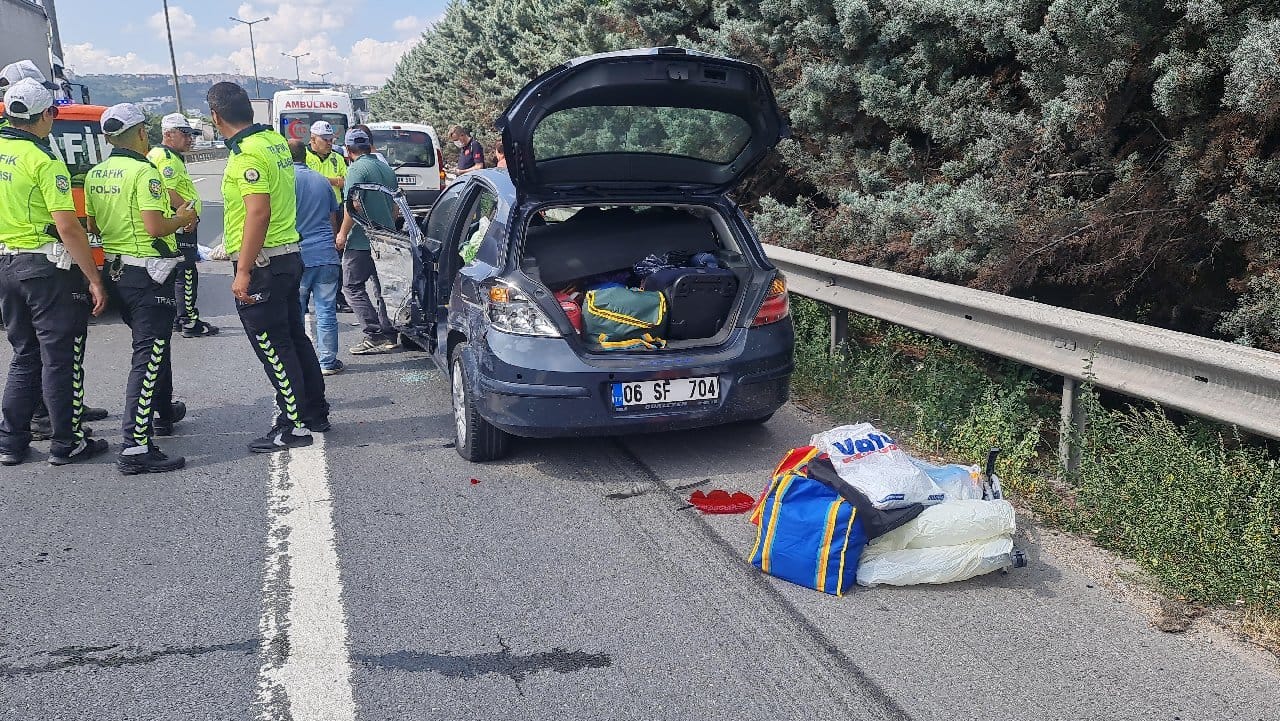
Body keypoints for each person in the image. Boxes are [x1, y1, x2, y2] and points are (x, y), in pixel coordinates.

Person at [207, 81, 328, 452]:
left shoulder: (245, 154)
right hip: (287, 255)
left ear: (215, 117)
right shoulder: (273, 142)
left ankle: (292, 425)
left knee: (273, 346)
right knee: (293, 336)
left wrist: (242, 270)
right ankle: (314, 412)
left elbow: (257, 212)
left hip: (264, 262)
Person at [0, 78, 109, 466]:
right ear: (45, 114)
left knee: (24, 354)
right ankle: (67, 441)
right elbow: (67, 226)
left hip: (5, 265)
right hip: (44, 267)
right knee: (58, 356)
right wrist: (94, 278)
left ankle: (11, 442)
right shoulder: (43, 161)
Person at [86, 103, 195, 474]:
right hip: (148, 272)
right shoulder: (143, 173)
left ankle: (163, 411)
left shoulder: (96, 174)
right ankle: (134, 446)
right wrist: (183, 217)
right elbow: (154, 227)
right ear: (140, 134)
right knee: (148, 357)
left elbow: (94, 226)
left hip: (117, 271)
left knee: (156, 347)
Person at [149, 113, 219, 338]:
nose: (190, 139)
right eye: (185, 134)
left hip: (171, 224)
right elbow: (168, 192)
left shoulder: (161, 155)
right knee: (186, 272)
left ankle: (178, 318)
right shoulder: (167, 159)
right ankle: (188, 321)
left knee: (174, 272)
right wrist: (189, 216)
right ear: (168, 134)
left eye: (192, 134)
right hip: (179, 225)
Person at [336, 126, 398, 355]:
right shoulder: (385, 169)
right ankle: (390, 333)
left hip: (362, 241)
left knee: (351, 287)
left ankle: (374, 334)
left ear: (348, 149)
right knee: (383, 288)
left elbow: (354, 206)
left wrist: (342, 234)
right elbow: (395, 209)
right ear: (369, 145)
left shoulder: (356, 170)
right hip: (387, 238)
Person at [289, 138, 344, 375]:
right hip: (325, 254)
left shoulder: (284, 181)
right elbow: (332, 218)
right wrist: (332, 245)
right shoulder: (322, 181)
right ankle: (327, 361)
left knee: (296, 311)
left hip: (298, 256)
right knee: (326, 310)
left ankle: (300, 361)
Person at [304, 120, 353, 314]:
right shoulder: (304, 156)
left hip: (335, 209)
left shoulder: (336, 157)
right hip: (311, 210)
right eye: (324, 140)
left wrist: (326, 180)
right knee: (308, 252)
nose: (329, 143)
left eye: (331, 139)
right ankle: (304, 296)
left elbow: (346, 180)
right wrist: (334, 181)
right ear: (313, 139)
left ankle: (337, 296)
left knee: (336, 252)